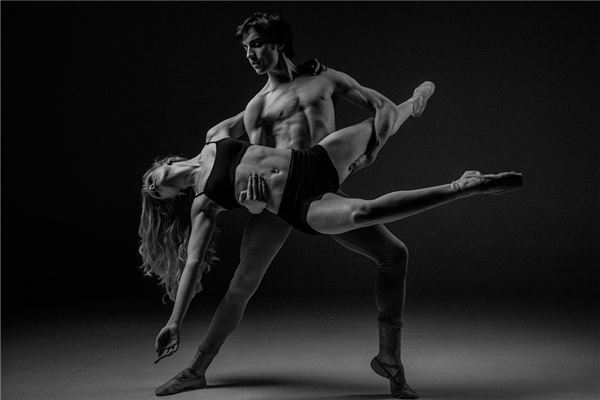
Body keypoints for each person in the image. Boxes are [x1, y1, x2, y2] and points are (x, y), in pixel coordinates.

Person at [140, 82, 523, 397]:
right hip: (282, 206)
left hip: (308, 165)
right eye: (154, 194)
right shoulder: (203, 204)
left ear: (162, 164)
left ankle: (413, 102)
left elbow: (261, 107)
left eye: (150, 181)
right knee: (248, 281)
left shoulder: (215, 136)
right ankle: (462, 186)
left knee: (392, 241)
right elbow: (193, 262)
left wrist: (300, 83)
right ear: (171, 198)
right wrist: (175, 322)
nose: (153, 187)